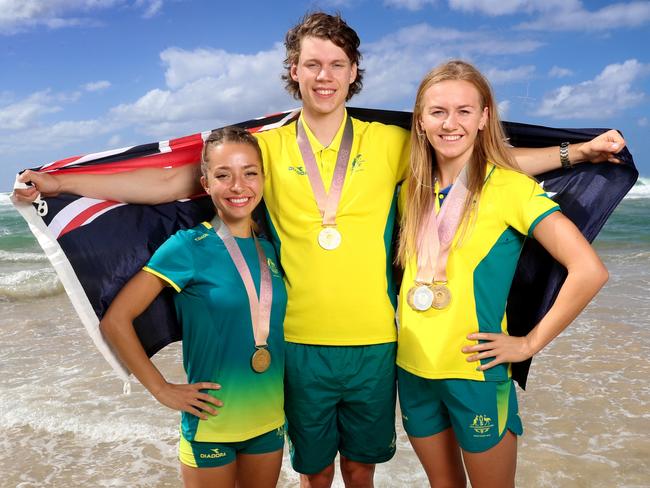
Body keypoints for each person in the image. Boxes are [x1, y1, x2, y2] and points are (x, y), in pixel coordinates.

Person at [13, 12, 625, 488]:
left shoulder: (392, 141)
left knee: (362, 472)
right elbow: (176, 182)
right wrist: (66, 183)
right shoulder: (268, 148)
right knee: (315, 473)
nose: (325, 75)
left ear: (354, 72)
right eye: (312, 64)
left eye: (337, 63)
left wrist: (574, 155)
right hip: (298, 344)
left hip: (382, 343)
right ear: (295, 72)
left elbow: (484, 162)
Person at [395, 60, 609, 488]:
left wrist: (529, 343)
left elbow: (589, 270)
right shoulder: (409, 188)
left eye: (464, 111)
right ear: (420, 121)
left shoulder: (512, 188)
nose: (450, 123)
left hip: (476, 371)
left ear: (484, 117)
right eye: (437, 112)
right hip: (413, 370)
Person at [99, 127, 287, 488]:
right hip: (210, 426)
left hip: (269, 422)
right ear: (205, 183)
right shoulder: (188, 245)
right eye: (223, 175)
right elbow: (116, 320)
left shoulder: (272, 248)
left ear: (263, 179)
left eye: (250, 172)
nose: (238, 186)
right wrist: (160, 388)